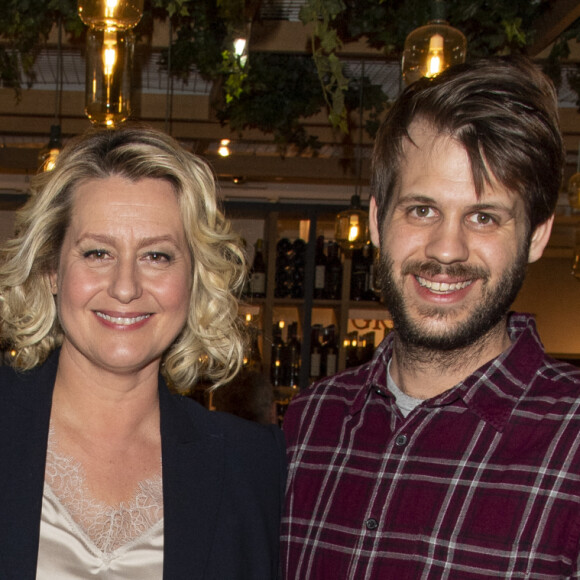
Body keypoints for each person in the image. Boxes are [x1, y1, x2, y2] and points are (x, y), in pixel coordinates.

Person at [281, 55, 580, 578]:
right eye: (422, 210)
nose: (446, 249)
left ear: (536, 236)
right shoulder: (309, 424)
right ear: (377, 220)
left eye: (484, 217)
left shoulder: (571, 441)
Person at [0, 126, 286, 579]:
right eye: (97, 252)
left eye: (157, 256)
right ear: (52, 269)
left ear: (194, 279)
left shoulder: (251, 465)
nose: (125, 287)